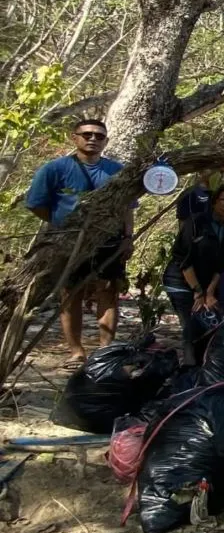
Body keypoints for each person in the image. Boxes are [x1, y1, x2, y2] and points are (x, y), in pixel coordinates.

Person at [25, 118, 132, 365]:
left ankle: (105, 352)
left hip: (109, 240)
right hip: (70, 241)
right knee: (70, 294)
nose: (93, 139)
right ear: (74, 137)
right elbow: (36, 204)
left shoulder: (117, 170)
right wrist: (60, 224)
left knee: (108, 292)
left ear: (106, 141)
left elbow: (127, 206)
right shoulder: (55, 169)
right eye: (87, 134)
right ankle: (76, 351)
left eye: (99, 136)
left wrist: (128, 236)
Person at [163, 185, 224, 366]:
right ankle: (189, 367)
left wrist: (210, 292)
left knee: (212, 322)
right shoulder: (196, 222)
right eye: (223, 200)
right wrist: (198, 291)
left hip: (209, 280)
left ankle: (205, 365)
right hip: (182, 279)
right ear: (214, 203)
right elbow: (184, 259)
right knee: (190, 325)